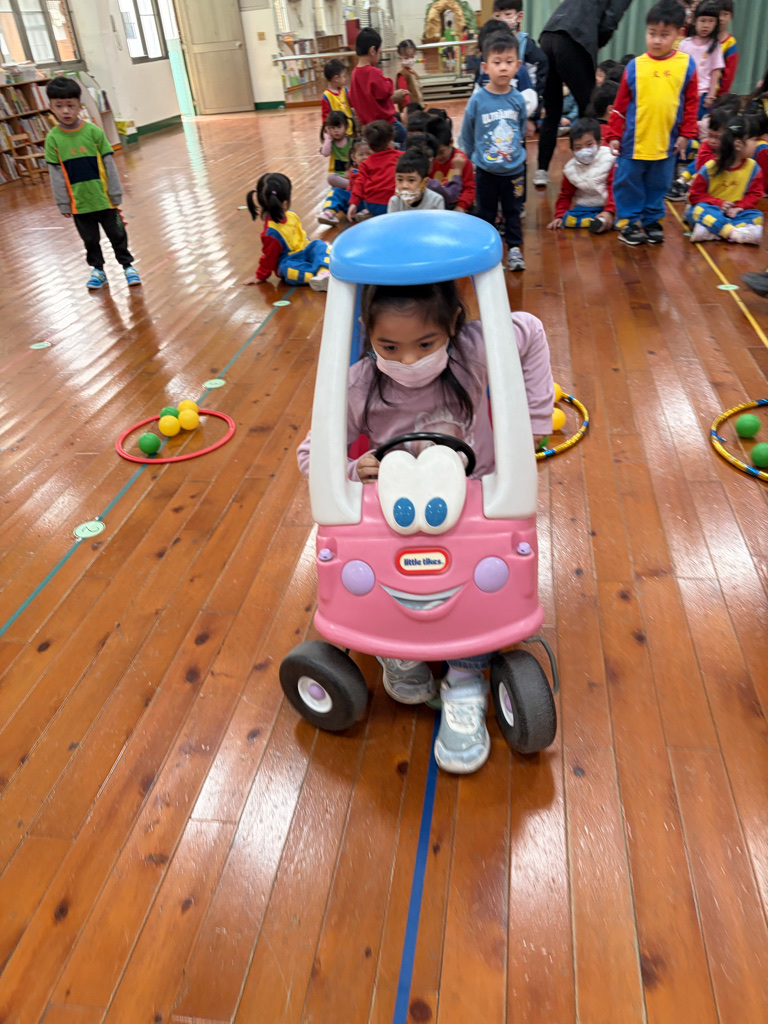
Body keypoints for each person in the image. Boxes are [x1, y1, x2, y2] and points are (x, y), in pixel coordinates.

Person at [296, 279, 554, 772]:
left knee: (477, 588)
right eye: (390, 347)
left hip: (475, 505)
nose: (409, 360)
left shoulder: (473, 350)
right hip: (395, 513)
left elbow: (531, 330)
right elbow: (311, 454)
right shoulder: (360, 384)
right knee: (389, 580)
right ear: (366, 332)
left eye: (425, 344)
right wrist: (351, 469)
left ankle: (466, 678)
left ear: (452, 326)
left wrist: (536, 420)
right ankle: (398, 649)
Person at [605, 0, 699, 246]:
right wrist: (614, 134)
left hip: (666, 142)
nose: (656, 40)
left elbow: (691, 104)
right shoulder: (635, 66)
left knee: (659, 183)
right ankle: (628, 222)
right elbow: (620, 105)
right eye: (652, 33)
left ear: (679, 33)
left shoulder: (686, 65)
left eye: (664, 35)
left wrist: (686, 134)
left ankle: (652, 220)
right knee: (628, 182)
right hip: (633, 142)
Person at [44, 77, 140, 291]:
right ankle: (98, 270)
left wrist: (115, 193)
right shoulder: (53, 139)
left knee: (118, 234)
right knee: (90, 240)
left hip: (105, 200)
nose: (65, 111)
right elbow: (56, 174)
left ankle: (128, 266)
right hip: (79, 204)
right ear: (51, 107)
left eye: (70, 105)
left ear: (80, 106)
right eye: (59, 106)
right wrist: (63, 203)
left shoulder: (94, 132)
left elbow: (109, 165)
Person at [534, 0, 634, 187]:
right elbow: (610, 20)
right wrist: (597, 43)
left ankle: (541, 171)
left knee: (552, 111)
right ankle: (587, 170)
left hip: (548, 34)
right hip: (575, 37)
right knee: (589, 109)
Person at [459, 31, 528, 271]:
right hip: (486, 171)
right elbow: (467, 132)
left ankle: (515, 249)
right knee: (486, 212)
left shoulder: (518, 99)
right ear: (485, 67)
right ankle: (486, 250)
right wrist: (472, 157)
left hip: (514, 170)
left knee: (513, 211)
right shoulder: (478, 100)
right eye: (497, 62)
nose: (503, 68)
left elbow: (521, 129)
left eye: (509, 62)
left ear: (518, 65)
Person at [245, 173, 331, 291]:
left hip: (305, 250)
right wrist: (260, 276)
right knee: (288, 270)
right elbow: (269, 258)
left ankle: (323, 271)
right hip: (290, 260)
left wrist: (310, 250)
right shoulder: (271, 233)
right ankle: (318, 275)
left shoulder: (291, 215)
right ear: (285, 203)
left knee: (318, 244)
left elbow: (301, 236)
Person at [688, 114, 764, 243]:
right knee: (696, 211)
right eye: (753, 140)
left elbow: (755, 194)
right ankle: (733, 232)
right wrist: (719, 203)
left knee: (757, 216)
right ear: (738, 144)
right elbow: (695, 195)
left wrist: (739, 207)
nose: (756, 144)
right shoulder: (711, 167)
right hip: (713, 210)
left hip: (734, 213)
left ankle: (714, 231)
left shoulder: (753, 168)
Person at [547, 117, 616, 232]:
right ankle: (600, 221)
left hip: (611, 204)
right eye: (578, 147)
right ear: (572, 150)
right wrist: (559, 215)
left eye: (589, 144)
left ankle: (606, 219)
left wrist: (609, 210)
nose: (584, 150)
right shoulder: (570, 170)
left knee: (626, 213)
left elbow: (614, 188)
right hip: (586, 207)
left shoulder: (610, 159)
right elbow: (565, 194)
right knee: (568, 219)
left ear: (599, 143)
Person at [666, 99, 738, 199]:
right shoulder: (706, 145)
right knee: (698, 161)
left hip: (715, 182)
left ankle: (688, 186)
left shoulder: (732, 151)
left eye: (718, 137)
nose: (712, 141)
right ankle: (681, 181)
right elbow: (700, 165)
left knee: (709, 166)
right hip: (701, 172)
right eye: (710, 135)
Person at [349, 28, 407, 146]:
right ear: (373, 51)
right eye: (379, 52)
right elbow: (384, 92)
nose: (379, 55)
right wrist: (388, 81)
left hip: (368, 127)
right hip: (385, 124)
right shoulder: (373, 72)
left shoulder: (354, 73)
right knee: (405, 137)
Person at [678, 1, 724, 117]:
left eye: (711, 21)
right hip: (684, 91)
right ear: (694, 21)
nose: (706, 25)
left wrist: (711, 95)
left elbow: (715, 71)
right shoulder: (684, 44)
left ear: (716, 23)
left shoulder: (714, 46)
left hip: (703, 94)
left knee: (698, 121)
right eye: (702, 20)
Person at [348, 121, 400, 221]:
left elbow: (359, 183)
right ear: (390, 141)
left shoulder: (365, 164)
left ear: (370, 145)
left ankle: (370, 213)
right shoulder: (401, 156)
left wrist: (354, 203)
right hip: (395, 203)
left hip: (372, 205)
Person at [427, 116, 476, 211]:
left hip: (457, 204)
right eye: (434, 153)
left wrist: (461, 206)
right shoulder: (429, 160)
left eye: (441, 152)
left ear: (451, 142)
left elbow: (469, 189)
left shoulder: (462, 160)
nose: (438, 157)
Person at [318, 111, 353, 225]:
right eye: (332, 128)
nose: (336, 131)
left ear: (346, 127)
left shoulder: (351, 142)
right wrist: (328, 138)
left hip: (353, 175)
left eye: (339, 127)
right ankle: (329, 213)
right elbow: (325, 153)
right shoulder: (331, 143)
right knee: (331, 178)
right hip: (338, 179)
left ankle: (352, 185)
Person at [321, 59, 354, 136]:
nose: (345, 79)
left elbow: (354, 103)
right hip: (337, 134)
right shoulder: (326, 96)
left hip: (349, 130)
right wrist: (327, 129)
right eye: (344, 76)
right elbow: (325, 117)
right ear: (336, 78)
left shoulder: (345, 91)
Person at [717, 0, 738, 95]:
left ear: (731, 16)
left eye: (725, 14)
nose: (721, 18)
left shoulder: (730, 44)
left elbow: (728, 77)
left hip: (715, 96)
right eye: (719, 14)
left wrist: (720, 96)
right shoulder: (703, 38)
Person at [396, 39, 424, 107]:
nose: (410, 60)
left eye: (412, 57)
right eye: (406, 58)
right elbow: (404, 95)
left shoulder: (412, 72)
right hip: (410, 109)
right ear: (400, 58)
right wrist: (408, 108)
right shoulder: (402, 74)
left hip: (417, 107)